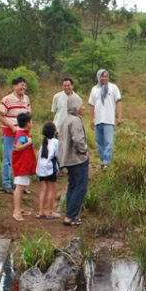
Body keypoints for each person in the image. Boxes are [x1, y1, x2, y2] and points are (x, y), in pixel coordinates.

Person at [58, 95, 89, 226]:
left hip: (67, 159)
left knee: (72, 185)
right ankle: (71, 217)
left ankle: (69, 214)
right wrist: (84, 150)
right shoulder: (75, 120)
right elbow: (78, 139)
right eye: (81, 105)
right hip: (77, 159)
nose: (83, 107)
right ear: (76, 106)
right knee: (80, 187)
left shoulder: (65, 119)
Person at [0, 77, 31, 194]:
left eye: (25, 85)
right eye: (21, 85)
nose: (23, 87)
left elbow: (28, 114)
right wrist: (12, 127)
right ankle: (6, 184)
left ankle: (18, 185)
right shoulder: (7, 99)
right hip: (9, 133)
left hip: (21, 134)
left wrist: (28, 130)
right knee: (8, 159)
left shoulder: (26, 99)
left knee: (20, 158)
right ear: (14, 86)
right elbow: (1, 116)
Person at [88, 69, 122, 170]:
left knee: (108, 142)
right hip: (98, 120)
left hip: (109, 120)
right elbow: (91, 105)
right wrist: (91, 119)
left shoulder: (113, 88)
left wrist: (119, 116)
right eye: (102, 76)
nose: (104, 78)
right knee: (99, 143)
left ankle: (107, 162)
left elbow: (118, 101)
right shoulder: (94, 89)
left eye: (106, 76)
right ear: (98, 77)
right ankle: (103, 161)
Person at [12, 113, 36, 221]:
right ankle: (16, 211)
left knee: (21, 187)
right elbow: (18, 147)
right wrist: (29, 142)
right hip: (21, 165)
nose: (32, 123)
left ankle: (19, 209)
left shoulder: (23, 133)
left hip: (24, 165)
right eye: (31, 121)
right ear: (27, 124)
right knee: (19, 187)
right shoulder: (22, 135)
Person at [36, 122, 60, 219]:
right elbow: (58, 155)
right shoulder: (55, 141)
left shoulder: (44, 141)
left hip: (41, 168)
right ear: (54, 132)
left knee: (43, 190)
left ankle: (41, 212)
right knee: (52, 190)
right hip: (50, 168)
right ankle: (50, 212)